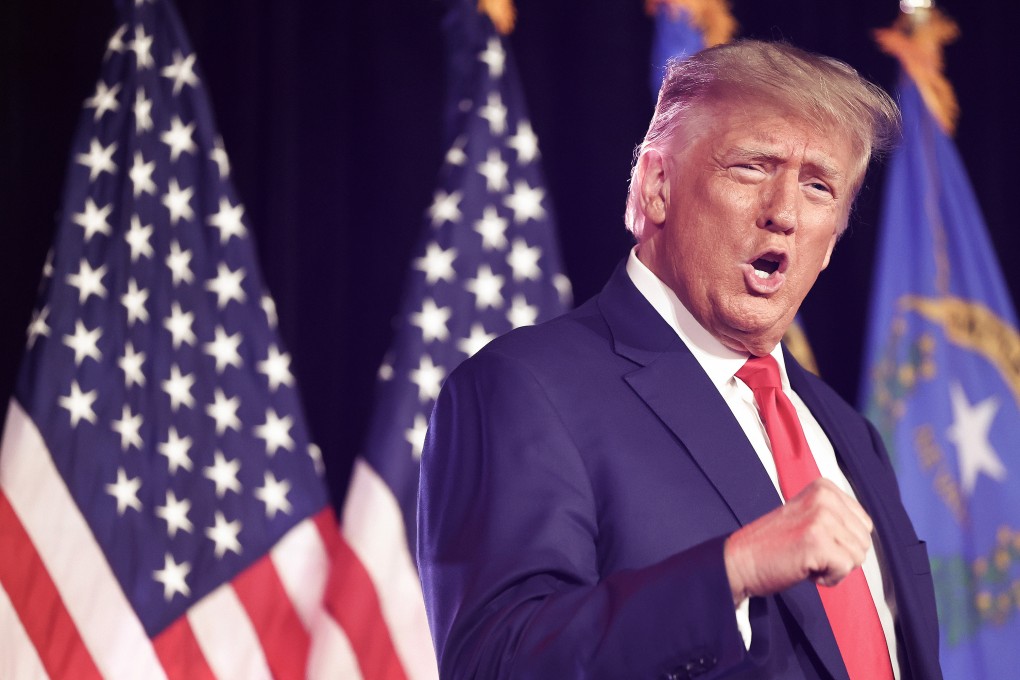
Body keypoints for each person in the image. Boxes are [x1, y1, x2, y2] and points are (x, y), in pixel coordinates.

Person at [417, 40, 942, 679]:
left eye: (818, 186)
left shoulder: (847, 431)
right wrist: (734, 571)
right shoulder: (524, 388)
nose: (783, 213)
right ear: (657, 186)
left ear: (832, 240)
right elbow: (493, 663)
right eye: (752, 166)